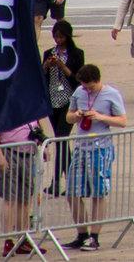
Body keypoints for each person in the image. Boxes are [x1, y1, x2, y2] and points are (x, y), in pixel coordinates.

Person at [66, 64, 127, 252]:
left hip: (100, 148)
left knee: (98, 193)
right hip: (80, 146)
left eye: (90, 87)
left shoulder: (111, 94)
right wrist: (76, 115)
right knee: (72, 192)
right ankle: (82, 234)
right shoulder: (79, 92)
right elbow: (68, 117)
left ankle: (94, 236)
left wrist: (100, 117)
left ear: (97, 80)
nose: (87, 90)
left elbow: (122, 121)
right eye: (84, 87)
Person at [0, 113, 45, 258]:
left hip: (28, 152)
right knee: (10, 198)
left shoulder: (29, 102)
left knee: (25, 199)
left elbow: (37, 121)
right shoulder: (2, 103)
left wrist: (43, 144)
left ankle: (23, 238)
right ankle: (8, 240)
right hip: (9, 151)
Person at [42, 19, 85, 195]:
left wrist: (62, 66)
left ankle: (56, 182)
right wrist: (47, 65)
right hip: (53, 99)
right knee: (61, 141)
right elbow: (42, 75)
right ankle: (73, 181)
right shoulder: (48, 53)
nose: (58, 40)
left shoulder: (77, 54)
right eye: (55, 37)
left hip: (69, 100)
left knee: (61, 139)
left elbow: (78, 78)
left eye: (61, 37)